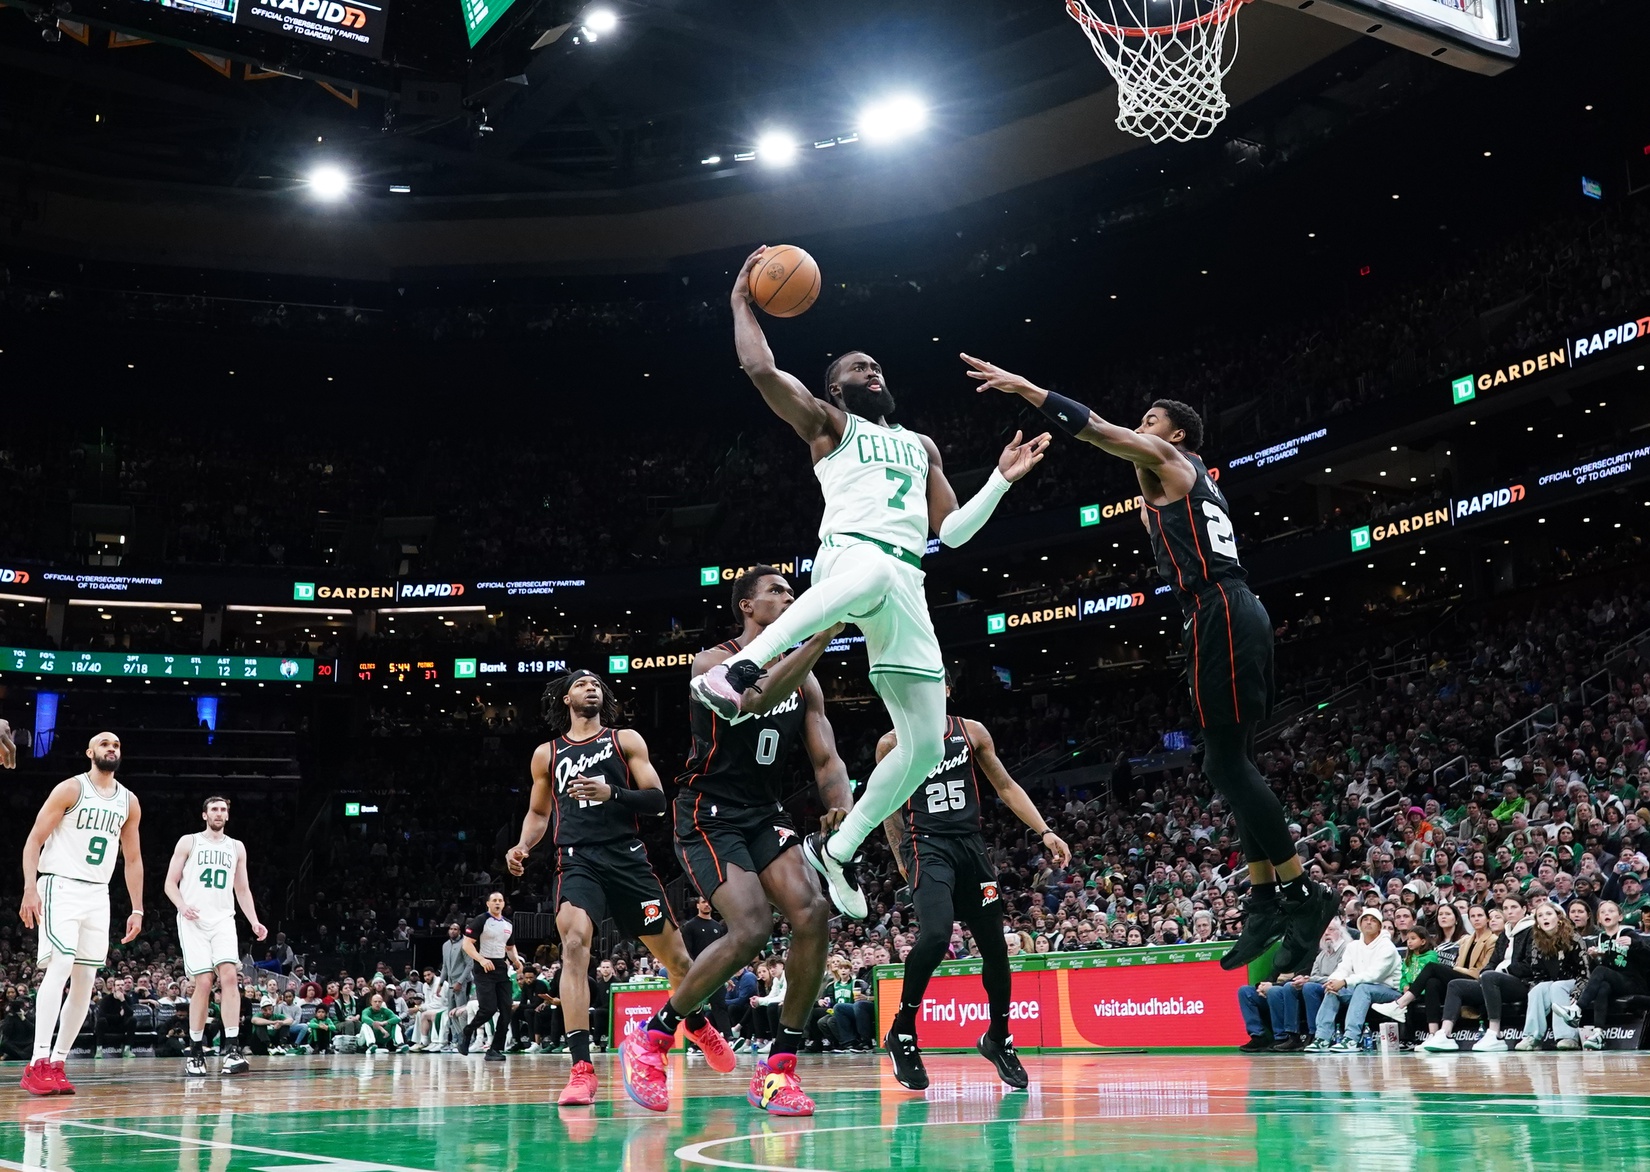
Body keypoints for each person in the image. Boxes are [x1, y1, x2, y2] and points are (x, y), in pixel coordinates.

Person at [690, 248, 1051, 923]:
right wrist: (742, 300)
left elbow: (957, 531)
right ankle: (740, 669)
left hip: (903, 582)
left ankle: (843, 846)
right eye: (857, 368)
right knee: (878, 567)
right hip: (850, 559)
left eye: (876, 365)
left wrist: (1000, 478)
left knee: (924, 742)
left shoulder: (922, 446)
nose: (871, 371)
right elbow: (762, 369)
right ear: (835, 390)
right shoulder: (831, 426)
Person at [964, 355, 1334, 973]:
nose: (1141, 426)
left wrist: (1027, 388)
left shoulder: (1172, 461)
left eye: (1151, 419)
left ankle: (1299, 893)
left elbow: (1099, 431)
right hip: (1221, 611)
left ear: (1177, 435)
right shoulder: (1174, 483)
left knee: (1223, 762)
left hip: (1221, 608)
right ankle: (1266, 895)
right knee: (1229, 761)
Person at [623, 567, 850, 1117]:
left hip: (764, 813)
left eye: (794, 595)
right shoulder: (711, 662)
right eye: (776, 592)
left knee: (814, 912)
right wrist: (821, 637)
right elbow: (751, 699)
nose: (789, 599)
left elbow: (826, 759)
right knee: (751, 928)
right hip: (708, 812)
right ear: (747, 606)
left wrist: (840, 805)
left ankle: (779, 1070)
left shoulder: (809, 681)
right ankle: (653, 1038)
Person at [507, 670, 731, 1107]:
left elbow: (656, 801)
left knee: (679, 959)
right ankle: (581, 1070)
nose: (592, 687)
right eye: (582, 683)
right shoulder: (546, 754)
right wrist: (522, 845)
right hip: (576, 858)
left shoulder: (624, 739)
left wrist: (610, 792)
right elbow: (538, 813)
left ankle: (697, 1022)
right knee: (573, 945)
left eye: (597, 684)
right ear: (567, 697)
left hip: (626, 857)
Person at [878, 707, 1071, 1090]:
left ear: (944, 689)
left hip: (970, 847)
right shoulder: (893, 741)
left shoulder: (972, 732)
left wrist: (1045, 831)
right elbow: (888, 804)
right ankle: (902, 1032)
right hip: (927, 847)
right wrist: (902, 858)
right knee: (935, 936)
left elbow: (1006, 786)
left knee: (995, 949)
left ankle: (998, 1036)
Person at [18, 732, 144, 1096]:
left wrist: (137, 907)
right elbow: (33, 840)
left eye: (117, 745)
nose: (111, 748)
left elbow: (132, 859)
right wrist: (30, 887)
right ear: (90, 752)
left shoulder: (129, 802)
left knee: (86, 981)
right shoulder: (70, 789)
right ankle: (36, 1062)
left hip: (97, 893)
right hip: (61, 884)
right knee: (59, 967)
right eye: (105, 744)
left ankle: (58, 1062)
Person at [163, 796, 266, 1077]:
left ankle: (232, 1049)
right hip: (193, 919)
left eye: (223, 810)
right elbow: (170, 884)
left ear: (228, 816)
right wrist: (182, 906)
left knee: (230, 977)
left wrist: (255, 921)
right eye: (214, 809)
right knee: (204, 982)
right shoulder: (189, 841)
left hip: (223, 919)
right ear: (204, 814)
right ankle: (195, 1050)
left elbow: (242, 889)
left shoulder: (237, 847)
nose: (219, 813)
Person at [1421, 894, 1535, 1052]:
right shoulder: (1505, 934)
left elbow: (1530, 965)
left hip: (1521, 983)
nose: (1510, 911)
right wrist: (1486, 974)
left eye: (1514, 907)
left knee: (1490, 976)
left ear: (1524, 909)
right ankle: (1445, 1033)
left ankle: (1495, 1033)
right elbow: (1492, 963)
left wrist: (1503, 970)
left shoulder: (1533, 931)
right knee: (1456, 985)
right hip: (1495, 981)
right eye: (1506, 908)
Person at [1374, 903, 1496, 1039]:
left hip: (1477, 982)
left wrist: (1455, 969)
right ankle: (1434, 1035)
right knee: (1432, 982)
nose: (1476, 919)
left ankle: (1400, 1004)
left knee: (1432, 967)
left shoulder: (1492, 940)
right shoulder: (1466, 940)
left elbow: (1483, 971)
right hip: (1458, 980)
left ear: (1487, 919)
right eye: (1472, 916)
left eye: (1480, 915)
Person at [1557, 900, 1650, 1050]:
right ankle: (1598, 1033)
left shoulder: (1629, 934)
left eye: (1611, 911)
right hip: (1614, 982)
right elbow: (1598, 971)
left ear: (1620, 917)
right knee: (1603, 986)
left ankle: (1577, 1009)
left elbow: (1647, 958)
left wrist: (1634, 944)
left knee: (1602, 973)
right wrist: (1595, 958)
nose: (1607, 914)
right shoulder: (1599, 939)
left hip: (1634, 982)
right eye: (1603, 912)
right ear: (1599, 919)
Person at [1303, 909, 1399, 1052]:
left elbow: (1374, 975)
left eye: (1373, 920)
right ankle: (1322, 1038)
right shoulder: (1353, 946)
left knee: (1362, 988)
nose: (1368, 922)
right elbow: (1343, 968)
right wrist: (1333, 981)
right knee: (1335, 989)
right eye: (1365, 919)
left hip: (1388, 990)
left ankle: (1351, 1039)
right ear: (1360, 924)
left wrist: (1345, 982)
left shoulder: (1387, 946)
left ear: (1379, 926)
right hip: (1362, 989)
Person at [1515, 901, 1589, 1050]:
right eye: (1540, 916)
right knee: (1537, 989)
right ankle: (1532, 1036)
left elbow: (1585, 973)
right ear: (1537, 922)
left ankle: (1568, 1037)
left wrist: (1577, 992)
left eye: (1549, 914)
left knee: (1558, 986)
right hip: (1554, 983)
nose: (1544, 918)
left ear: (1559, 917)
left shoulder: (1574, 938)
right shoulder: (1537, 943)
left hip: (1576, 982)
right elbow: (1538, 975)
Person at [458, 892, 523, 1062]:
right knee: (488, 1009)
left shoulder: (508, 924)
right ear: (488, 903)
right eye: (494, 900)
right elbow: (467, 944)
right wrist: (481, 959)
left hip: (501, 968)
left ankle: (494, 1049)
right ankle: (467, 1031)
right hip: (483, 968)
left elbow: (510, 947)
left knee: (507, 1010)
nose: (497, 903)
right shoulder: (480, 920)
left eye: (500, 900)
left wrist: (516, 961)